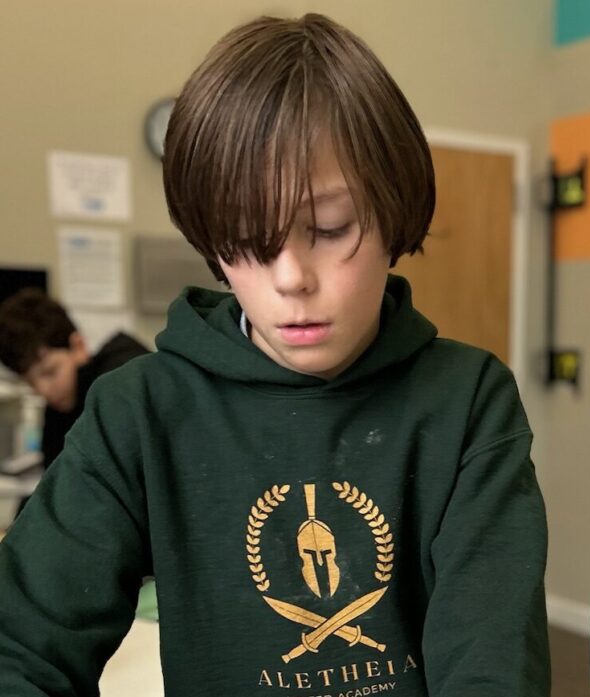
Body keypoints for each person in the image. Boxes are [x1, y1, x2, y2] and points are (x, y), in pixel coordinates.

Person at [0, 14, 549, 696]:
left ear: (393, 214)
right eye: (247, 240)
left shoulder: (468, 400)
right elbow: (21, 648)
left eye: (328, 227)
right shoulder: (136, 412)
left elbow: (493, 667)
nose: (290, 276)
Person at [0, 288, 149, 485]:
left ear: (78, 346)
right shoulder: (59, 410)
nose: (44, 391)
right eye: (30, 382)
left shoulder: (122, 378)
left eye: (50, 372)